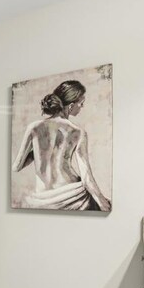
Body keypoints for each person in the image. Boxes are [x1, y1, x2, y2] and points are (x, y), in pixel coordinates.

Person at [12, 80, 111, 211]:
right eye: (81, 103)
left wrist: (39, 152)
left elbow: (16, 167)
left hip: (41, 198)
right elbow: (86, 177)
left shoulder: (34, 127)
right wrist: (104, 204)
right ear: (70, 106)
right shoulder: (78, 132)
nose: (82, 107)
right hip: (73, 196)